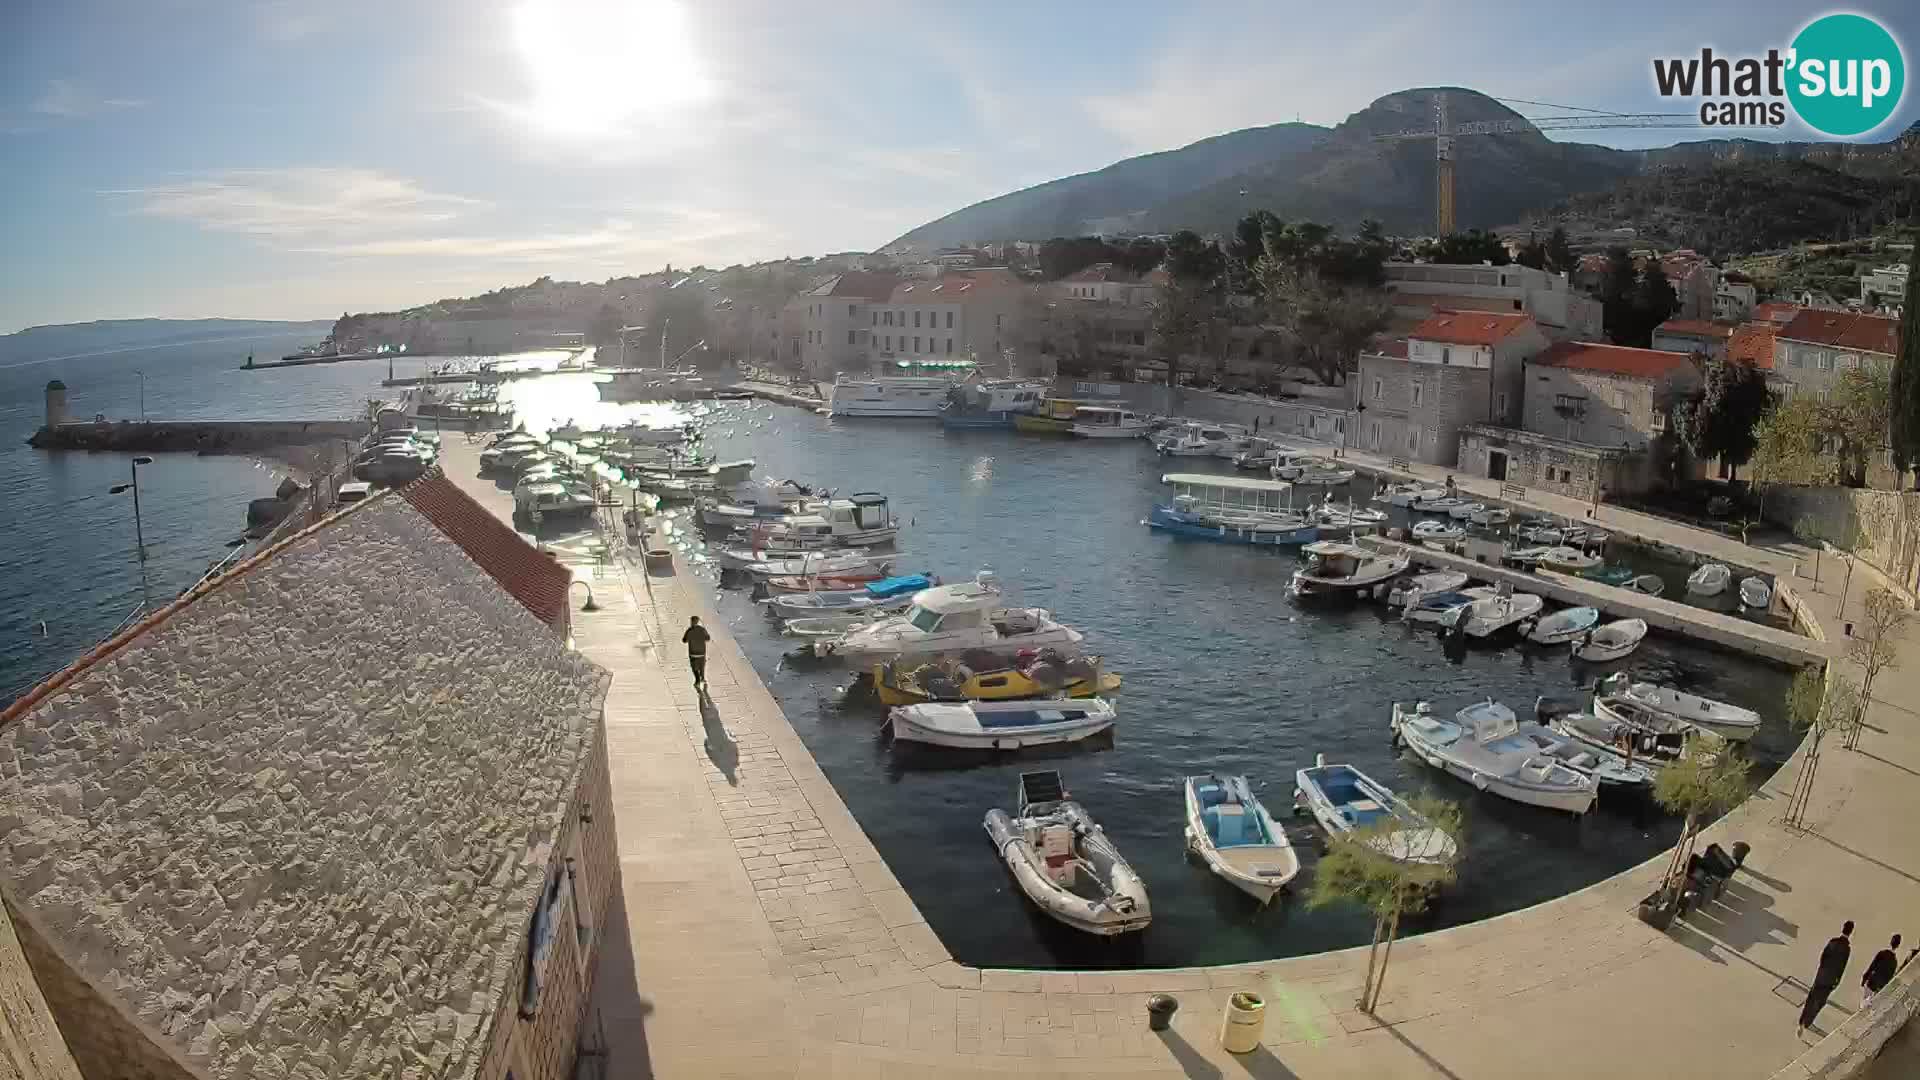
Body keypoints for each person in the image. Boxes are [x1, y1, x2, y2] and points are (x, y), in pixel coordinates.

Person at [1800, 921, 1854, 1034]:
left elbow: (1823, 957)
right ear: (1850, 932)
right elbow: (1842, 967)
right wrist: (1837, 981)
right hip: (1830, 980)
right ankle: (1808, 1022)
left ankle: (1802, 1019)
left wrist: (1822, 969)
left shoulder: (1832, 942)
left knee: (1811, 997)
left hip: (1821, 975)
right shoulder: (1846, 949)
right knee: (1820, 1002)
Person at [1863, 934, 1901, 1006]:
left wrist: (1865, 977)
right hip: (1879, 987)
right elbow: (1889, 977)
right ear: (1898, 945)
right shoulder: (1894, 962)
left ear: (1891, 942)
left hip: (1872, 982)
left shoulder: (1882, 953)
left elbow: (1872, 966)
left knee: (1864, 1003)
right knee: (1870, 1007)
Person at [682, 615, 711, 690]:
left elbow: (684, 640)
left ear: (691, 622)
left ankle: (697, 680)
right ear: (698, 622)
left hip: (693, 653)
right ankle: (703, 678)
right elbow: (708, 638)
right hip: (702, 653)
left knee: (694, 668)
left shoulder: (689, 630)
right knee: (702, 665)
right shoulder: (702, 629)